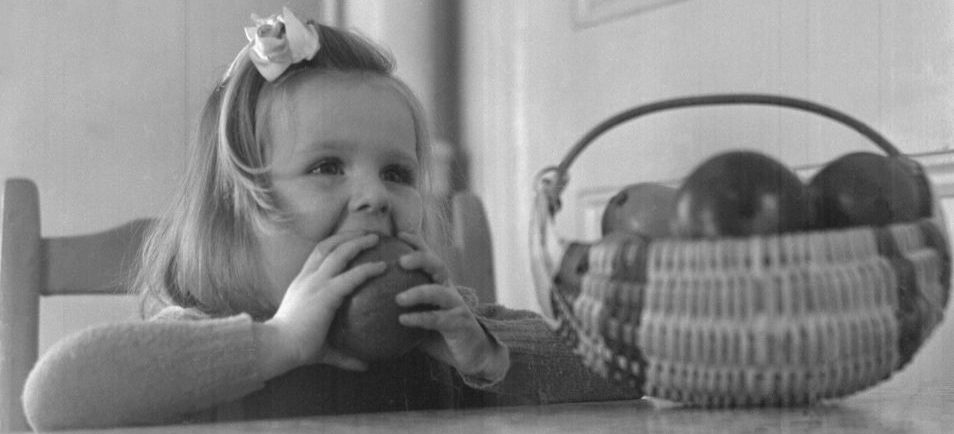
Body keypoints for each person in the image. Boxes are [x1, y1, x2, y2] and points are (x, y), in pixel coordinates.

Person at [21, 8, 640, 431]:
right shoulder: (203, 338)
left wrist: (485, 355)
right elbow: (52, 396)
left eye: (397, 174)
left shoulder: (443, 331)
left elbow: (620, 369)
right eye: (326, 167)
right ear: (233, 218)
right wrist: (277, 343)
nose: (375, 197)